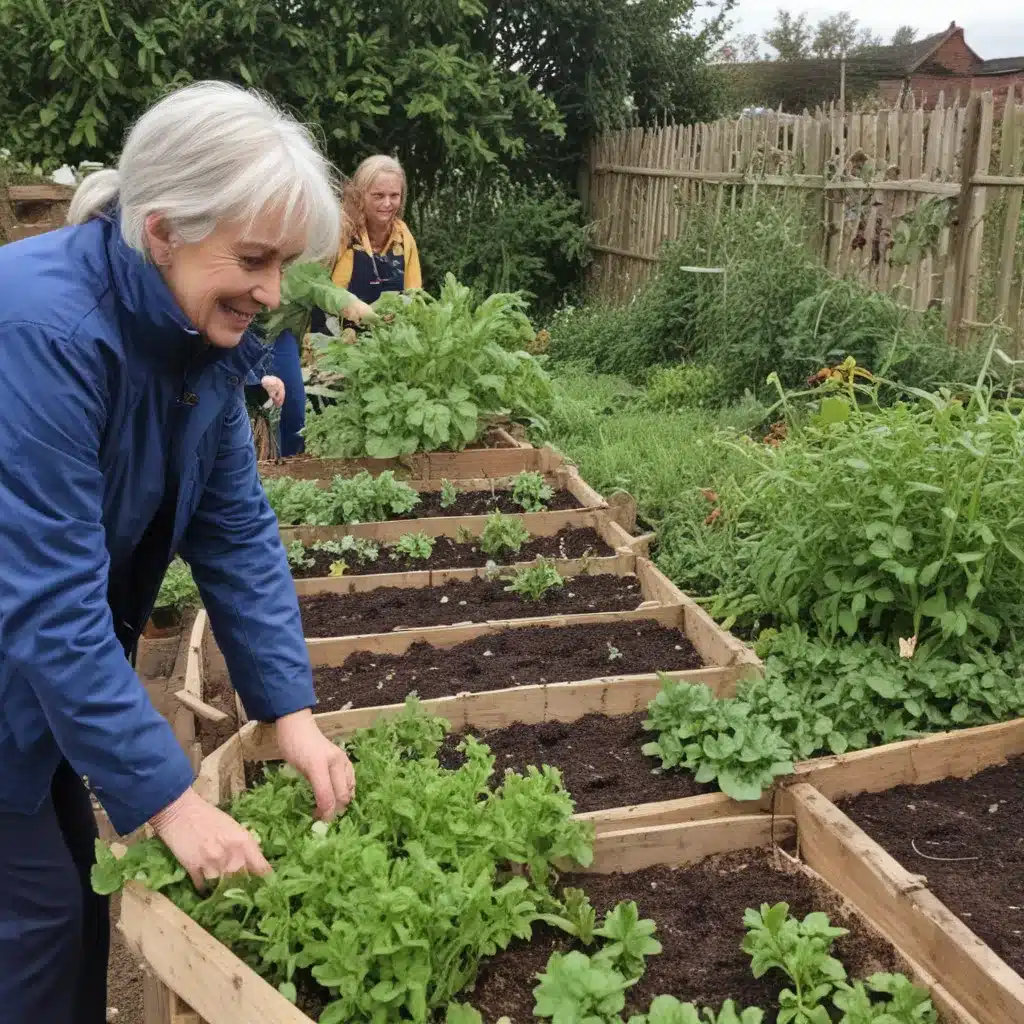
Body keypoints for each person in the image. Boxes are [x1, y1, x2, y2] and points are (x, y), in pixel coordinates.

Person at [0, 81, 356, 1024]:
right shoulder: (45, 332)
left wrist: (292, 714)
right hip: (14, 661)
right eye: (253, 258)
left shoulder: (193, 344)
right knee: (31, 933)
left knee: (66, 905)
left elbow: (235, 529)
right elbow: (50, 605)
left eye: (284, 263)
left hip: (28, 678)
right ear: (163, 231)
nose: (275, 292)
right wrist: (170, 797)